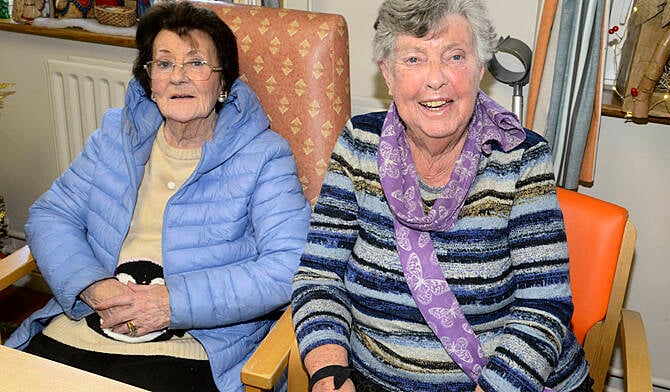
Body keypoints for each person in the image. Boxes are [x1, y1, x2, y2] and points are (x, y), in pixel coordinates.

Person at [4, 1, 310, 391]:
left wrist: (171, 304)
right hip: (87, 321)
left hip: (192, 345)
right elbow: (50, 215)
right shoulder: (116, 136)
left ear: (224, 83)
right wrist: (93, 286)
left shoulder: (264, 154)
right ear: (150, 80)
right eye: (164, 64)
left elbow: (288, 267)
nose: (178, 78)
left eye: (196, 64)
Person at [291, 0, 593, 391]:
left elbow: (542, 306)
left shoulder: (521, 157)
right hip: (373, 380)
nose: (436, 79)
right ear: (387, 73)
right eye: (414, 59)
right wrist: (330, 371)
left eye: (455, 56)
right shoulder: (359, 144)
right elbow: (320, 276)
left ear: (480, 69)